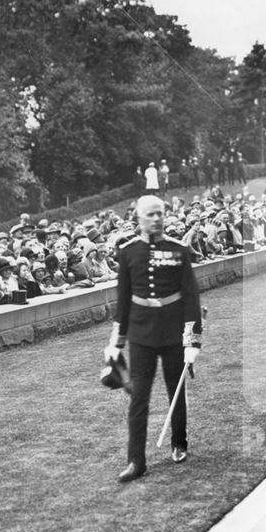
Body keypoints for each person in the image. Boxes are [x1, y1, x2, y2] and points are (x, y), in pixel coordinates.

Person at [105, 195, 203, 483]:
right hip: (141, 333)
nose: (157, 219)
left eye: (160, 214)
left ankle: (179, 443)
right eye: (150, 214)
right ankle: (136, 460)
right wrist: (116, 343)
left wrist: (192, 342)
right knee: (138, 398)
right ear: (139, 217)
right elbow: (123, 303)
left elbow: (191, 298)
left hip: (172, 331)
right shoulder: (127, 252)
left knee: (176, 391)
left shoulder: (179, 250)